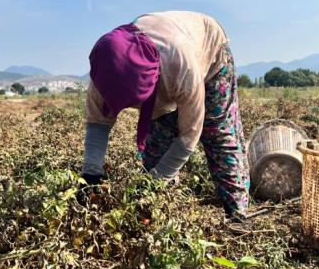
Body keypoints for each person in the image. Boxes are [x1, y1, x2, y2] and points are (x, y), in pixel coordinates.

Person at [82, 11, 250, 218]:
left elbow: (190, 134)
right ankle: (166, 215)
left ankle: (237, 214)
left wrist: (158, 179)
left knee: (217, 134)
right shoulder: (106, 68)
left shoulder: (180, 64)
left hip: (210, 49)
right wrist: (91, 174)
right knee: (157, 145)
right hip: (164, 66)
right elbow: (98, 123)